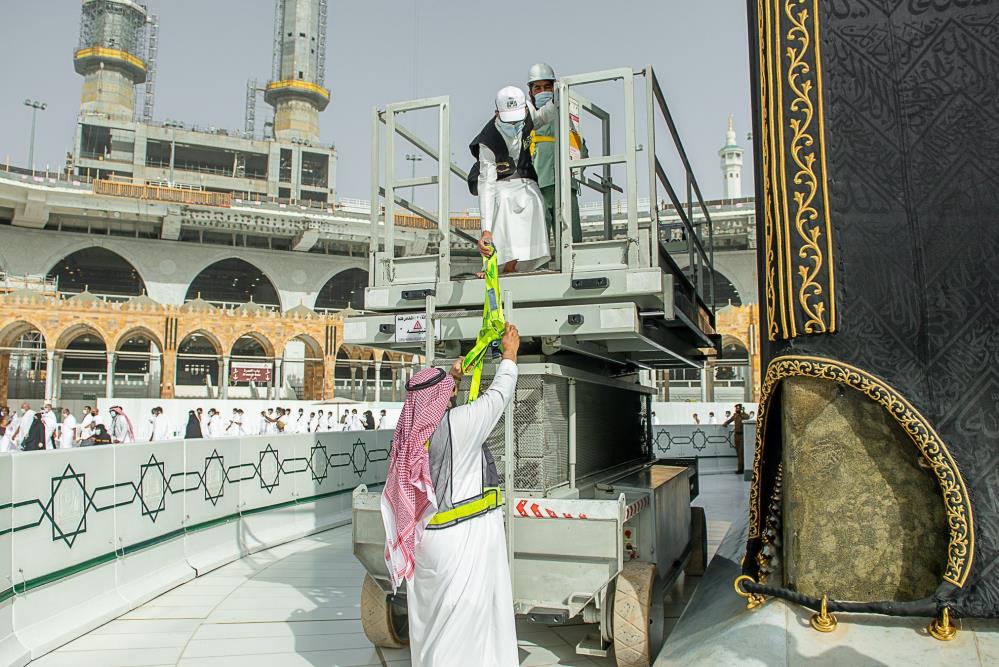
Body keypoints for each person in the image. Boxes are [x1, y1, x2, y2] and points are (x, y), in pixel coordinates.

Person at [383, 323, 521, 667]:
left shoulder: (407, 435)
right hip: (461, 539)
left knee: (431, 625)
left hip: (424, 540)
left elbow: (435, 405)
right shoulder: (458, 425)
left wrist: (454, 378)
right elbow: (499, 395)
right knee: (461, 627)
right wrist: (509, 355)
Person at [474, 85, 559, 274]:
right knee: (503, 200)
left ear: (526, 110)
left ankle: (519, 264)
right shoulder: (488, 140)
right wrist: (485, 230)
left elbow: (544, 116)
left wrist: (559, 97)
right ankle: (498, 263)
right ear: (497, 113)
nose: (513, 125)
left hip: (525, 179)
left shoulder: (529, 117)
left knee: (534, 199)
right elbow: (486, 184)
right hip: (500, 183)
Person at [526, 62, 587, 245]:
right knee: (538, 241)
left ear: (555, 86)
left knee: (571, 239)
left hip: (566, 184)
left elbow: (580, 147)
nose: (543, 91)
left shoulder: (567, 114)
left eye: (547, 86)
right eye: (538, 87)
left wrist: (576, 169)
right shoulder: (527, 117)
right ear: (530, 91)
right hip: (537, 185)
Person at [723, 404, 750, 475]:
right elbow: (730, 420)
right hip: (736, 435)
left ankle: (741, 469)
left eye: (738, 408)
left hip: (742, 435)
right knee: (738, 452)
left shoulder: (745, 415)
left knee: (741, 453)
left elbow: (747, 418)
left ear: (741, 409)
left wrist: (741, 413)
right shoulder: (735, 415)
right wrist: (725, 423)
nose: (736, 409)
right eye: (736, 408)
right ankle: (740, 468)